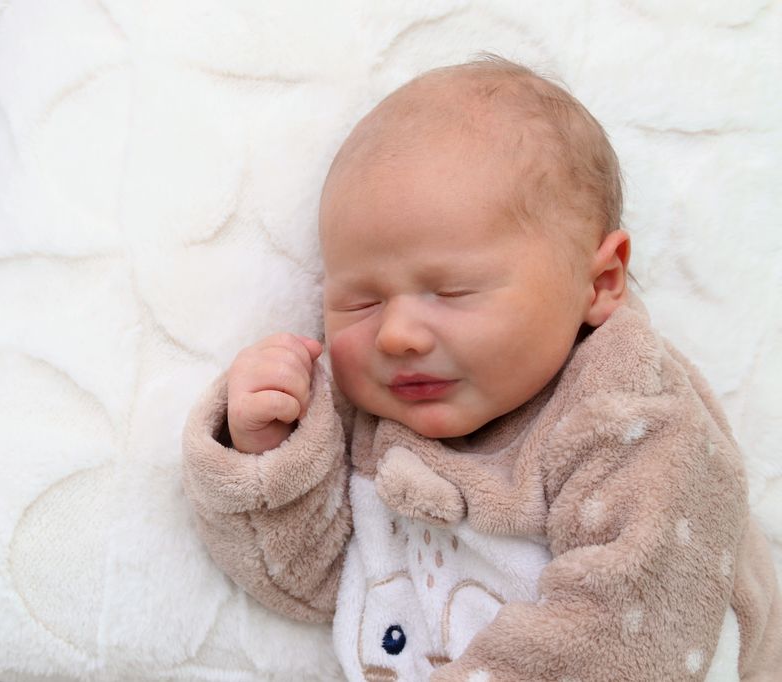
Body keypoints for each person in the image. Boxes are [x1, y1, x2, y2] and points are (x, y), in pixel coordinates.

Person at [181, 56, 781, 681]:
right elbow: (306, 583)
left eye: (452, 291)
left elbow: (629, 629)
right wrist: (268, 455)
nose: (396, 334)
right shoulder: (380, 427)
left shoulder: (632, 418)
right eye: (361, 302)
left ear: (600, 282)